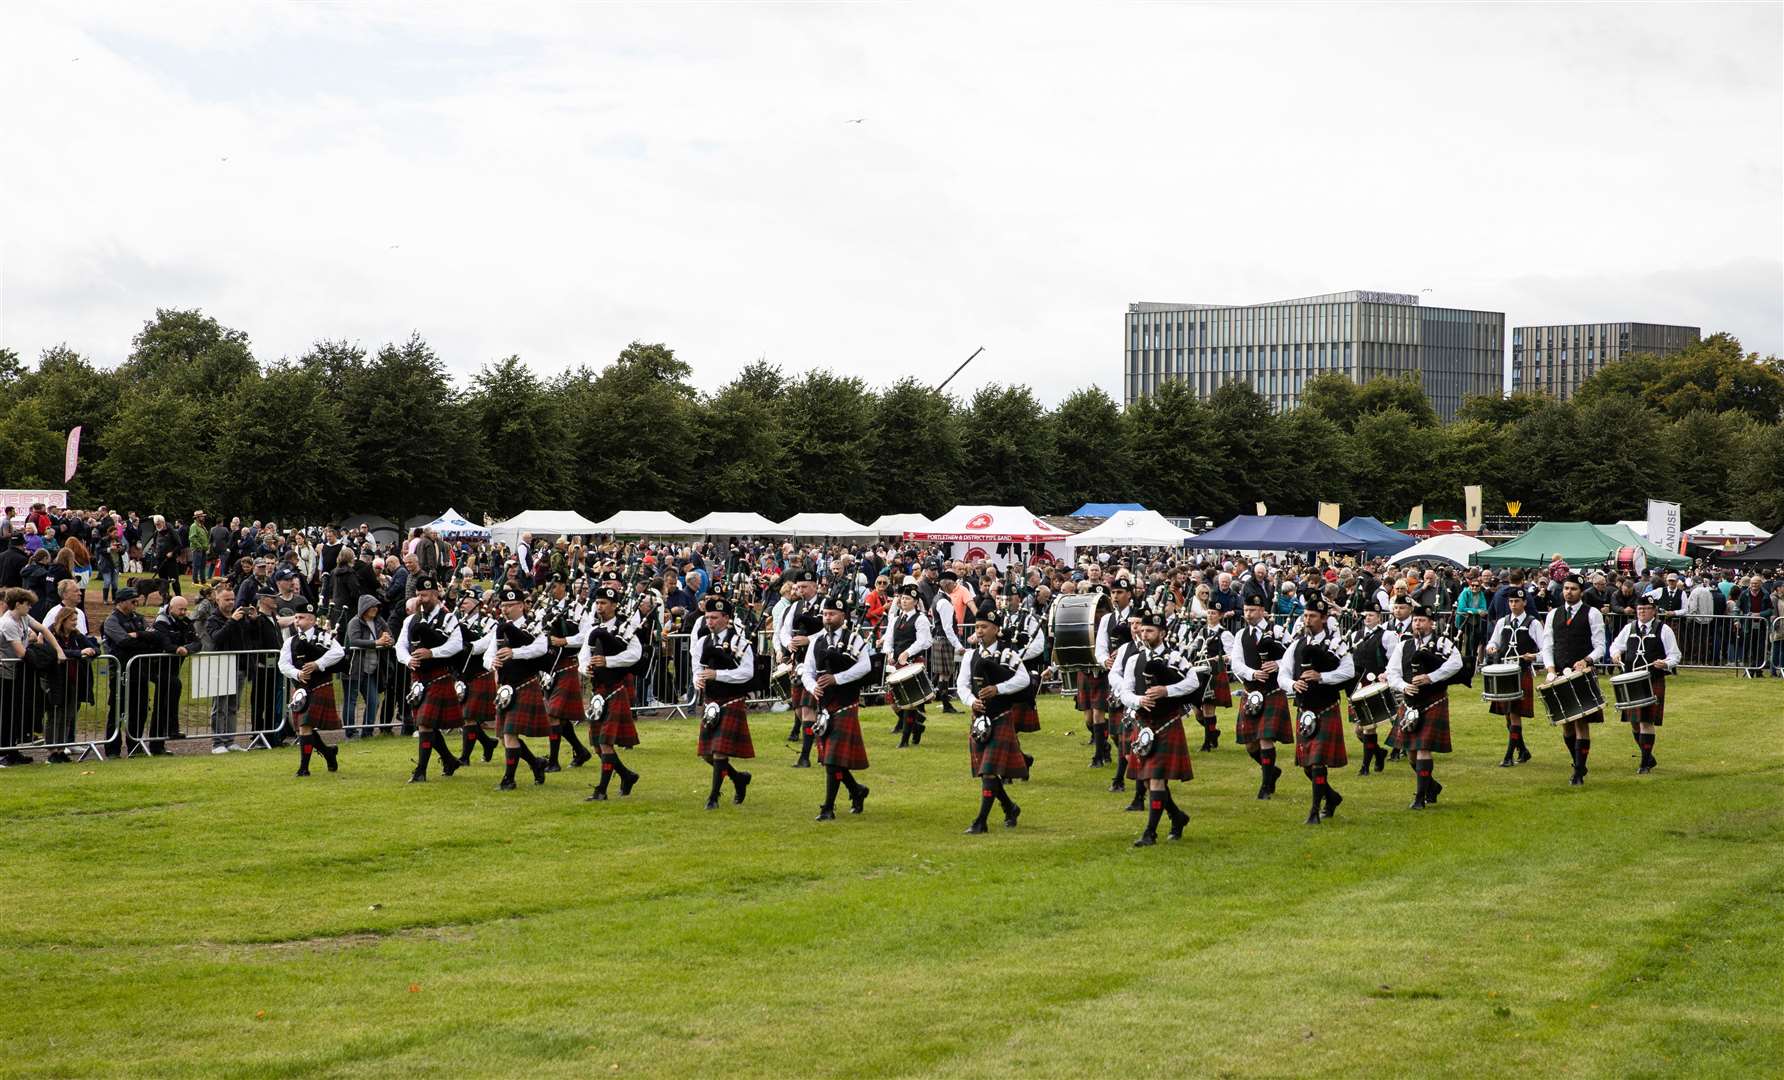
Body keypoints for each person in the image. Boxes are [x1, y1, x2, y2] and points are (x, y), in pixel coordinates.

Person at [1117, 610, 1198, 846]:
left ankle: (1150, 833)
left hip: (1167, 721)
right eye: (1142, 630)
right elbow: (1125, 691)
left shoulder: (1176, 657)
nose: (1144, 634)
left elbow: (1193, 682)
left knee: (1155, 779)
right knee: (1147, 780)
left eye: (1149, 630)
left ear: (1162, 632)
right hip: (1144, 722)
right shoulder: (1134, 659)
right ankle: (1177, 816)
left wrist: (1167, 691)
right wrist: (1139, 701)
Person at [1281, 598, 1355, 825]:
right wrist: (1292, 685)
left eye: (1312, 616)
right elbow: (1282, 674)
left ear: (1324, 619)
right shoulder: (1296, 645)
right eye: (1305, 616)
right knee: (1307, 766)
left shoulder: (1337, 644)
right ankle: (1332, 797)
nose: (1307, 620)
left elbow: (1349, 671)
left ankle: (1314, 811)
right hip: (1304, 709)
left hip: (1326, 708)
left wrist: (1322, 677)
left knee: (1317, 762)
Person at [958, 602, 1029, 835]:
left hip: (1000, 717)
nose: (979, 631)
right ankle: (1010, 807)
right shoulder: (970, 655)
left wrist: (999, 689)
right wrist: (971, 701)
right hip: (979, 719)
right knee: (986, 772)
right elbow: (961, 686)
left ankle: (981, 821)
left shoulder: (1008, 653)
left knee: (988, 771)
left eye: (984, 627)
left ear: (996, 629)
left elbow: (1024, 680)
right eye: (977, 627)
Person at [800, 596, 871, 821]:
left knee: (831, 760)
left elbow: (865, 667)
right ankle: (856, 790)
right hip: (824, 704)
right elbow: (807, 671)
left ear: (843, 616)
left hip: (845, 703)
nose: (827, 618)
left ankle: (828, 808)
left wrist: (837, 679)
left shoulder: (855, 638)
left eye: (832, 614)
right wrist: (813, 687)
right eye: (825, 614)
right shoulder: (816, 641)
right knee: (832, 759)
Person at [1387, 605, 1462, 810]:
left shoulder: (1442, 642)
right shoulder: (1404, 645)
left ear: (1431, 623)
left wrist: (1431, 677)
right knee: (1411, 752)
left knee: (1422, 749)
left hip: (1433, 700)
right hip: (1410, 702)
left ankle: (1420, 797)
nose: (1417, 624)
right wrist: (1404, 686)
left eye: (1421, 620)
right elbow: (1392, 672)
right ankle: (1432, 786)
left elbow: (1456, 664)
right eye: (1415, 620)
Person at [395, 575, 464, 783]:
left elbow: (456, 645)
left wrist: (432, 653)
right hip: (418, 677)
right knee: (427, 725)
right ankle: (449, 760)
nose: (421, 598)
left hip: (438, 676)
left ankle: (420, 772)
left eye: (424, 595)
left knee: (424, 723)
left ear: (435, 593)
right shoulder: (411, 620)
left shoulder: (449, 618)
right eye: (418, 595)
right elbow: (400, 646)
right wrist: (408, 660)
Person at [1541, 574, 1608, 787]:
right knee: (1566, 725)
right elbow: (1547, 644)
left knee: (1581, 722)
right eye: (1566, 588)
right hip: (1559, 673)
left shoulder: (1592, 613)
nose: (1568, 592)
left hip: (1582, 674)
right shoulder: (1553, 614)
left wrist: (1586, 660)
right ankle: (1577, 761)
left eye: (1573, 589)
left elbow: (1600, 645)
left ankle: (1579, 770)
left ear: (1581, 591)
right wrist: (1550, 668)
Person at [579, 584, 642, 801]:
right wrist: (585, 667)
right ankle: (626, 775)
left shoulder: (625, 628)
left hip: (614, 689)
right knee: (597, 745)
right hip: (598, 690)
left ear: (614, 605)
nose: (599, 607)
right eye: (597, 603)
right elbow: (583, 656)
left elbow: (635, 654)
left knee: (605, 742)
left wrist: (609, 661)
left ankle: (601, 790)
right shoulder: (592, 628)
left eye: (604, 603)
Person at [692, 596, 755, 809]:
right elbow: (696, 668)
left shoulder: (740, 642)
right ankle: (738, 778)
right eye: (707, 617)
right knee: (708, 754)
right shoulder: (702, 642)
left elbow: (747, 672)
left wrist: (717, 675)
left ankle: (713, 797)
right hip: (711, 701)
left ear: (726, 618)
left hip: (731, 699)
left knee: (719, 751)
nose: (709, 622)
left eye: (714, 618)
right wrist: (698, 680)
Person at [1228, 594, 1293, 800]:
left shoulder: (1278, 631)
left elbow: (1292, 656)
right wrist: (1252, 673)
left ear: (1263, 611)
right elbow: (1236, 663)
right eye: (1246, 610)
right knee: (1250, 745)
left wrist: (1278, 664)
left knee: (1266, 739)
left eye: (1253, 610)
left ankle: (1265, 785)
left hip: (1272, 691)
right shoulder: (1240, 635)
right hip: (1250, 691)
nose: (1248, 614)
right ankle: (1272, 771)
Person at [1608, 597, 1681, 774]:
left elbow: (1675, 655)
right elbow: (1615, 646)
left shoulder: (1664, 629)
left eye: (1646, 608)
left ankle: (1644, 764)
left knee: (1646, 721)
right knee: (1634, 722)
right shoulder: (1629, 628)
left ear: (1654, 610)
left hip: (1652, 680)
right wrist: (1616, 654)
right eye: (1639, 608)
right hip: (1631, 681)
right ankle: (1648, 755)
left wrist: (1665, 663)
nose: (1642, 612)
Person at [489, 585, 551, 789]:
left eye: (510, 605)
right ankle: (536, 763)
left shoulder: (534, 625)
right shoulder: (499, 626)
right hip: (505, 686)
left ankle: (509, 779)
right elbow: (488, 654)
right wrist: (492, 663)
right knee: (508, 733)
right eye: (503, 605)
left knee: (509, 733)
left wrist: (515, 653)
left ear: (522, 605)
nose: (505, 610)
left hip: (525, 683)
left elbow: (541, 648)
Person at [280, 602, 346, 777]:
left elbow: (338, 653)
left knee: (305, 726)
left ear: (311, 619)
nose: (296, 621)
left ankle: (304, 769)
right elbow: (283, 664)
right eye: (295, 617)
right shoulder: (290, 641)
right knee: (303, 726)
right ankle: (328, 752)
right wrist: (297, 673)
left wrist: (318, 664)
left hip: (320, 686)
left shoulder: (324, 636)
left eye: (300, 618)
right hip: (301, 688)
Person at [537, 575, 593, 774]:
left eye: (554, 586)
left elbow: (587, 635)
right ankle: (580, 751)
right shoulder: (545, 609)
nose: (551, 590)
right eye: (549, 586)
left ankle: (553, 761)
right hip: (549, 667)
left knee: (553, 714)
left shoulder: (578, 609)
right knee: (559, 717)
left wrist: (565, 641)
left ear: (563, 586)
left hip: (567, 664)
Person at [1484, 590, 1543, 768]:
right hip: (1503, 672)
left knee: (1515, 715)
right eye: (1510, 601)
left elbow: (1545, 650)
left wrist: (1534, 657)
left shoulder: (1533, 624)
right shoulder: (1503, 622)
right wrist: (1491, 648)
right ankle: (1523, 751)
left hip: (1521, 672)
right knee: (1508, 716)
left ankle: (1509, 756)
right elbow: (1493, 642)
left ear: (1524, 603)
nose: (1513, 605)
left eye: (1517, 601)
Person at [776, 569, 823, 764]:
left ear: (814, 586)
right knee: (798, 708)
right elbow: (783, 631)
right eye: (799, 587)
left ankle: (806, 756)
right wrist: (789, 643)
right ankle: (820, 748)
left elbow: (830, 632)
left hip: (819, 664)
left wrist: (808, 640)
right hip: (799, 663)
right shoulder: (794, 607)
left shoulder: (825, 605)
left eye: (804, 587)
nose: (801, 590)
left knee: (807, 709)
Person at [202, 585, 254, 753]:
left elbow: (249, 637)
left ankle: (230, 740)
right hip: (221, 665)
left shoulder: (240, 617)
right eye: (227, 599)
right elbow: (217, 638)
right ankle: (217, 742)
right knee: (220, 706)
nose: (231, 602)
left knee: (233, 706)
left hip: (239, 666)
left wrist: (254, 620)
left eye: (233, 599)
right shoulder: (213, 619)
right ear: (217, 600)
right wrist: (232, 621)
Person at [43, 606, 97, 762]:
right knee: (55, 716)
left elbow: (94, 648)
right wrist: (79, 653)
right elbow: (55, 652)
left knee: (68, 716)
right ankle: (52, 751)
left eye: (76, 620)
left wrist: (91, 651)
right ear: (63, 620)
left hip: (73, 681)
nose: (75, 623)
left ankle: (62, 749)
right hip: (56, 681)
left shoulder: (76, 635)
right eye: (73, 620)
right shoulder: (51, 633)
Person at [882, 583, 933, 746]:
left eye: (908, 599)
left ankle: (904, 740)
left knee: (909, 704)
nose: (904, 601)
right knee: (892, 700)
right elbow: (888, 638)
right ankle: (917, 727)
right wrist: (889, 653)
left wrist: (907, 653)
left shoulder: (921, 619)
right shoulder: (896, 618)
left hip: (912, 663)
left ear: (915, 602)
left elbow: (924, 641)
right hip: (896, 663)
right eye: (903, 598)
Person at [344, 594, 396, 740]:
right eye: (371, 606)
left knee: (374, 701)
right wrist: (377, 643)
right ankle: (350, 733)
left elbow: (391, 637)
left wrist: (388, 641)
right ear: (363, 608)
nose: (374, 609)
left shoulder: (379, 621)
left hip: (372, 669)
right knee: (351, 701)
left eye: (376, 606)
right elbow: (354, 641)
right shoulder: (355, 622)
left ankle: (367, 731)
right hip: (353, 668)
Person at [1189, 605, 1232, 752]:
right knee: (1196, 710)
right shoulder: (1201, 631)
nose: (1210, 616)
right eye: (1209, 613)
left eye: (1213, 613)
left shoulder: (1224, 634)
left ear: (1220, 616)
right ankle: (1213, 733)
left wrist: (1220, 658)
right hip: (1198, 673)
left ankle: (1207, 743)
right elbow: (1193, 647)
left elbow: (1231, 655)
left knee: (1208, 708)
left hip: (1214, 672)